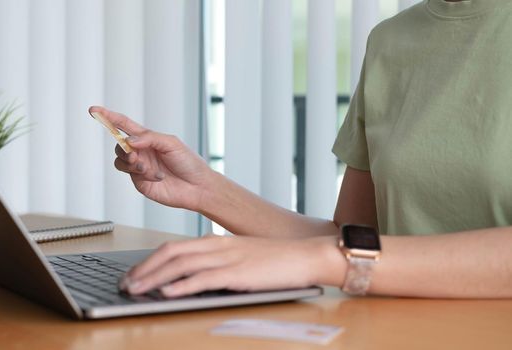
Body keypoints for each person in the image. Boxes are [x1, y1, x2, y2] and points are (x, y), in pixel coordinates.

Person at [90, 0, 512, 299]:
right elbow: (352, 238)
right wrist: (204, 190)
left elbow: (340, 256)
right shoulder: (392, 40)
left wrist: (323, 262)